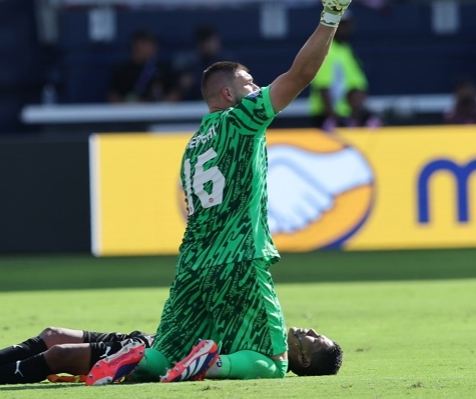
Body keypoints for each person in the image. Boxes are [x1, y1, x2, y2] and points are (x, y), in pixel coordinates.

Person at [87, 0, 353, 386]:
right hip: (239, 256)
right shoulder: (243, 120)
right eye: (249, 84)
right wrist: (331, 15)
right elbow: (301, 75)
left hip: (192, 263)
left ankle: (137, 360)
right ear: (228, 94)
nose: (258, 88)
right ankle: (211, 365)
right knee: (273, 361)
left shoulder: (195, 144)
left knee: (167, 352)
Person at [0, 326, 342, 385]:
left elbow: (204, 365)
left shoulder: (267, 362)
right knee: (52, 335)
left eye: (313, 339)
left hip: (144, 355)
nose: (306, 330)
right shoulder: (264, 325)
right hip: (151, 336)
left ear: (303, 362)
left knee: (62, 354)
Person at [308, 11, 368, 129]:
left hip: (343, 115)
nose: (343, 28)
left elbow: (356, 84)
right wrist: (332, 119)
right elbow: (323, 87)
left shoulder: (345, 49)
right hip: (327, 116)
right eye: (339, 24)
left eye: (346, 24)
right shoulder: (326, 51)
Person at [107, 29, 178, 103]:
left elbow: (174, 94)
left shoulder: (163, 68)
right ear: (135, 45)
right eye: (146, 43)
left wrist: (162, 105)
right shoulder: (122, 70)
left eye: (153, 44)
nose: (151, 47)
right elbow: (113, 98)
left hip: (158, 113)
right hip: (131, 113)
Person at [172, 24, 238, 101]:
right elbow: (173, 96)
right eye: (207, 42)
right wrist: (183, 86)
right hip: (192, 104)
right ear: (199, 44)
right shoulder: (188, 63)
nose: (211, 45)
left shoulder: (228, 62)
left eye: (213, 41)